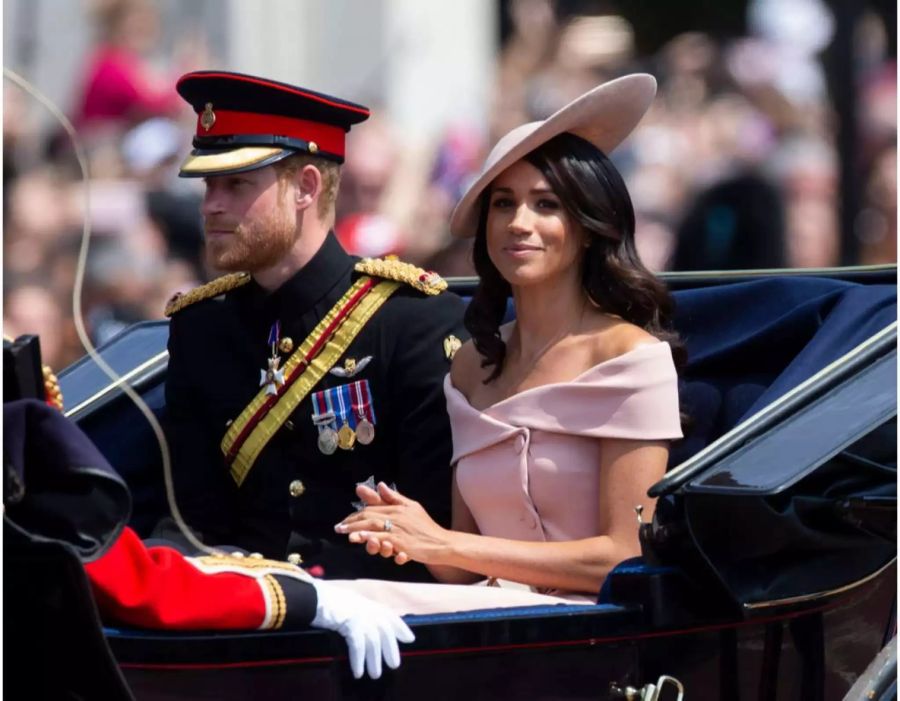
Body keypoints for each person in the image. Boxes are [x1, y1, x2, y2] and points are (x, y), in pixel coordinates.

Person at [330, 74, 684, 614]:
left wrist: (445, 542)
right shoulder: (472, 364)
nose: (519, 223)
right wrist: (405, 531)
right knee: (330, 603)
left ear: (587, 226)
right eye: (503, 204)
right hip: (490, 622)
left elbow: (625, 557)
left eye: (546, 205)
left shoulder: (629, 356)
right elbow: (465, 567)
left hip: (595, 631)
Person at [159, 71, 467, 582]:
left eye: (236, 184)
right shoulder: (201, 326)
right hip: (251, 616)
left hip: (385, 621)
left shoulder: (413, 321)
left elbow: (437, 533)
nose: (212, 204)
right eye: (209, 183)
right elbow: (194, 521)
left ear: (306, 187)